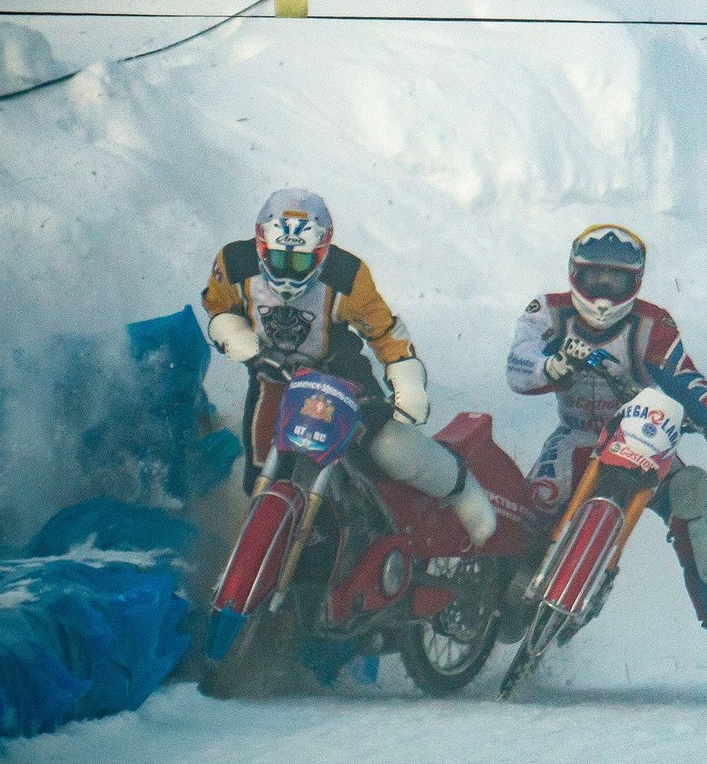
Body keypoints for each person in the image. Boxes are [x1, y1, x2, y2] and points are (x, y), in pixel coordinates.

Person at [506, 223, 707, 649]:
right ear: (575, 274)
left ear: (635, 281)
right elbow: (518, 360)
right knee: (534, 502)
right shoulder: (546, 310)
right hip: (576, 435)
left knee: (693, 490)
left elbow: (685, 377)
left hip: (643, 432)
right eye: (595, 276)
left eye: (616, 279)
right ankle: (501, 597)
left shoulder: (651, 323)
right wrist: (547, 367)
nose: (604, 289)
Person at [201, 187, 495, 543]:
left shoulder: (347, 276)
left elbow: (386, 333)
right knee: (260, 478)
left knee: (387, 447)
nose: (289, 273)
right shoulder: (235, 263)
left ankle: (461, 489)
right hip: (274, 377)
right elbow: (218, 307)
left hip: (339, 377)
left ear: (322, 252)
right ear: (260, 246)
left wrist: (407, 384)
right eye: (279, 260)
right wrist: (235, 335)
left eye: (301, 262)